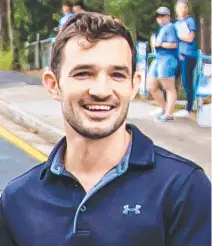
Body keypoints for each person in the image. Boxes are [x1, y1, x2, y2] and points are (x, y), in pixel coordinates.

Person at [0, 12, 210, 246]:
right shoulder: (16, 201)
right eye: (83, 74)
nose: (101, 90)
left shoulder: (183, 189)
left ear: (133, 85)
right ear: (53, 84)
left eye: (117, 75)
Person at [147, 7, 179, 123]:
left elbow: (174, 44)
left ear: (168, 17)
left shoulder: (170, 27)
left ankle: (169, 114)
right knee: (150, 86)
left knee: (169, 87)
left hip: (167, 59)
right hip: (158, 58)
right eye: (158, 16)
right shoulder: (161, 29)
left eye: (162, 15)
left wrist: (160, 44)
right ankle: (165, 110)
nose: (160, 18)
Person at [174, 0, 198, 118]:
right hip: (178, 55)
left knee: (187, 82)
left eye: (184, 7)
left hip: (189, 55)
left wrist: (177, 36)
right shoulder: (176, 23)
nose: (182, 10)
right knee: (171, 79)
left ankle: (189, 109)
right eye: (180, 8)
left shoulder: (190, 21)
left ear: (187, 9)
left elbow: (190, 38)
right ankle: (167, 106)